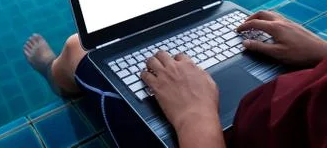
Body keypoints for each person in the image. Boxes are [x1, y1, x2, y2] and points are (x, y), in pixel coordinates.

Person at [23, 11, 327, 147]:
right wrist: (322, 53)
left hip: (218, 135)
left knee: (80, 47)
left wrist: (194, 117)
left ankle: (52, 72)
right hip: (286, 107)